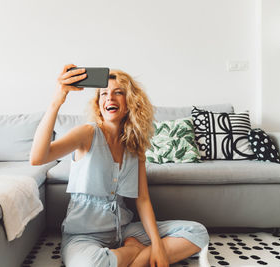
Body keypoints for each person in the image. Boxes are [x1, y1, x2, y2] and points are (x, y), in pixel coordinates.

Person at [30, 64, 209, 267]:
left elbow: (142, 199)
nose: (109, 98)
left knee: (197, 232)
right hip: (84, 236)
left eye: (118, 93)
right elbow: (37, 158)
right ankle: (134, 251)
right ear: (98, 103)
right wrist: (57, 100)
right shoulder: (87, 134)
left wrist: (158, 246)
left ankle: (131, 257)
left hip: (124, 230)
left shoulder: (135, 145)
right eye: (104, 93)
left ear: (129, 102)